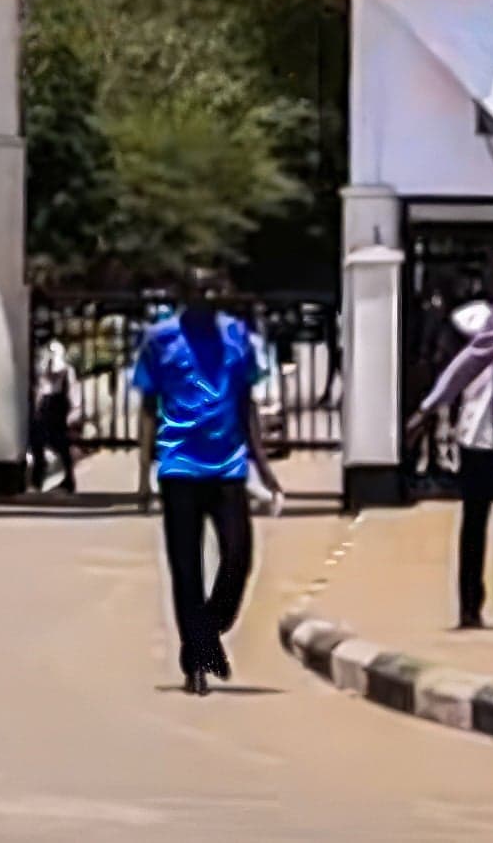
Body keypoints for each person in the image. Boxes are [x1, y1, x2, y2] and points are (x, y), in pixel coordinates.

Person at [133, 273, 287, 693]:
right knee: (186, 569)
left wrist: (265, 468)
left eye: (215, 290)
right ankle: (196, 661)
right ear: (184, 296)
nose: (209, 298)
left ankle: (206, 631)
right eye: (199, 292)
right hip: (179, 467)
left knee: (238, 555)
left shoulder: (237, 336)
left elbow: (246, 404)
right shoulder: (159, 340)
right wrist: (142, 472)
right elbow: (148, 407)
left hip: (228, 467)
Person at [404, 287, 493, 631]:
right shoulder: (475, 321)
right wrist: (429, 408)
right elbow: (458, 369)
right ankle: (469, 604)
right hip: (476, 434)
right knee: (474, 522)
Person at [28, 333, 79, 493]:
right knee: (39, 443)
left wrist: (74, 413)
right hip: (48, 407)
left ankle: (67, 479)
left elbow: (72, 393)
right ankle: (38, 479)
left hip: (55, 408)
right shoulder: (46, 372)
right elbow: (40, 390)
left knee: (60, 444)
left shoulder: (65, 372)